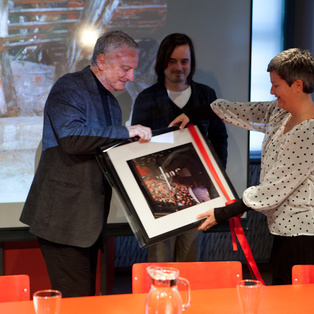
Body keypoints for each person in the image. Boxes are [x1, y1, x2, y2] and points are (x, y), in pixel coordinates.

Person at [20, 31, 152, 297]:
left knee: (84, 301)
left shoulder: (113, 105)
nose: (131, 77)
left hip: (88, 224)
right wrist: (127, 132)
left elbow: (105, 152)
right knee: (74, 303)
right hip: (63, 223)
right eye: (125, 68)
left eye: (134, 70)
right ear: (102, 61)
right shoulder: (70, 86)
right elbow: (72, 139)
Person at [170, 48, 314, 284]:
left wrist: (222, 213)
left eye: (276, 85)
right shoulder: (281, 113)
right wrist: (194, 113)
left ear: (297, 85)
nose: (271, 91)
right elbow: (244, 110)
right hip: (282, 230)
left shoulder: (309, 132)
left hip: (304, 236)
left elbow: (271, 191)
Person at [131, 33, 228, 262]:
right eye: (172, 61)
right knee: (160, 264)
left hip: (198, 193)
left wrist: (217, 180)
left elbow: (219, 138)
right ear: (162, 62)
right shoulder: (146, 98)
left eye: (184, 61)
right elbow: (135, 149)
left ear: (191, 63)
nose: (178, 67)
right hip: (159, 197)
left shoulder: (206, 95)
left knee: (190, 261)